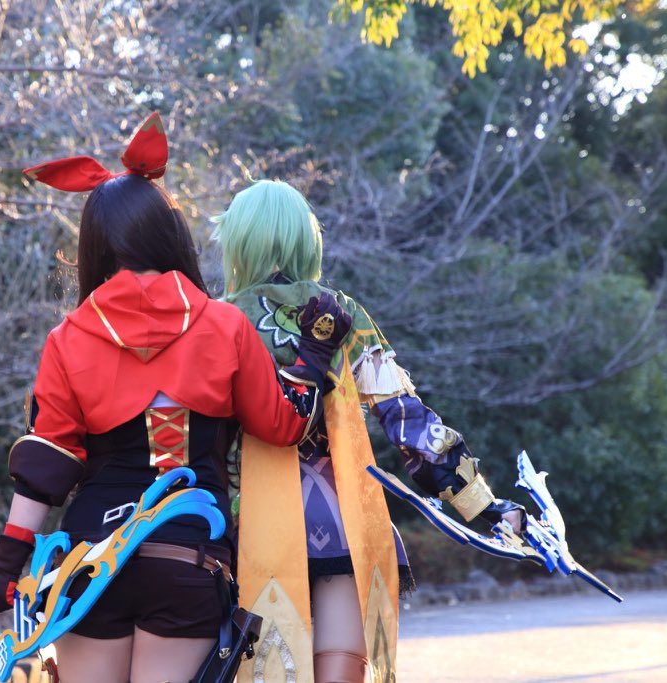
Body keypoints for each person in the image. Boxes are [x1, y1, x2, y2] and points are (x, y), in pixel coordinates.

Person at [0, 116, 350, 683]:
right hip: (187, 557)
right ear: (170, 235)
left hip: (89, 564)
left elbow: (43, 472)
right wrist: (314, 355)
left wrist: (6, 569)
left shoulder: (67, 338)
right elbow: (284, 425)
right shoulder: (224, 327)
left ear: (94, 247)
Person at [213, 179, 526, 683]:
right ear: (306, 241)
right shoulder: (345, 313)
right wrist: (484, 506)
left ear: (238, 242)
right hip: (340, 520)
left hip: (244, 523)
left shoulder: (217, 320)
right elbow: (409, 422)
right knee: (342, 663)